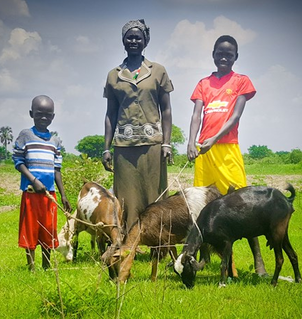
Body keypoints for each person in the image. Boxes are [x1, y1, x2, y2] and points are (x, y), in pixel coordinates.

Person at [187, 35, 267, 275]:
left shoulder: (241, 81)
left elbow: (235, 116)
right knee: (204, 205)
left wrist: (215, 138)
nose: (223, 57)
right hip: (204, 152)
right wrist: (192, 142)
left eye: (229, 54)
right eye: (219, 53)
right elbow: (196, 116)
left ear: (235, 57)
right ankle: (204, 259)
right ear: (213, 54)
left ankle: (259, 260)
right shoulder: (203, 83)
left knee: (243, 204)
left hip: (227, 147)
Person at [102, 19, 173, 234]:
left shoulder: (158, 71)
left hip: (152, 144)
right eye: (129, 37)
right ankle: (130, 240)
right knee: (126, 196)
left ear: (146, 41)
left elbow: (166, 110)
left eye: (138, 37)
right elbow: (110, 113)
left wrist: (167, 143)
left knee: (155, 194)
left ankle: (158, 240)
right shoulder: (114, 75)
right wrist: (106, 148)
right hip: (124, 146)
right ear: (123, 41)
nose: (134, 40)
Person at [12, 95, 71, 271]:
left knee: (48, 230)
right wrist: (34, 180)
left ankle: (46, 266)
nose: (43, 118)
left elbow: (57, 170)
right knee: (30, 230)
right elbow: (18, 162)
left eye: (48, 114)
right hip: (31, 193)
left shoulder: (55, 141)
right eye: (39, 114)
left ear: (53, 116)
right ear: (32, 114)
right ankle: (31, 267)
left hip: (49, 196)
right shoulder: (25, 136)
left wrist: (63, 195)